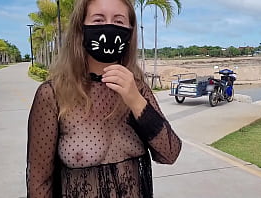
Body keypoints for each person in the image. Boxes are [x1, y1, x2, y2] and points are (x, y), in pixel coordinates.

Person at [26, 0, 182, 197]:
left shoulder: (138, 89)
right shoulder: (53, 94)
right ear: (81, 29)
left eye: (118, 22)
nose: (108, 28)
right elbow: (39, 180)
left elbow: (170, 153)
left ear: (130, 31)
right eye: (98, 19)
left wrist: (135, 100)